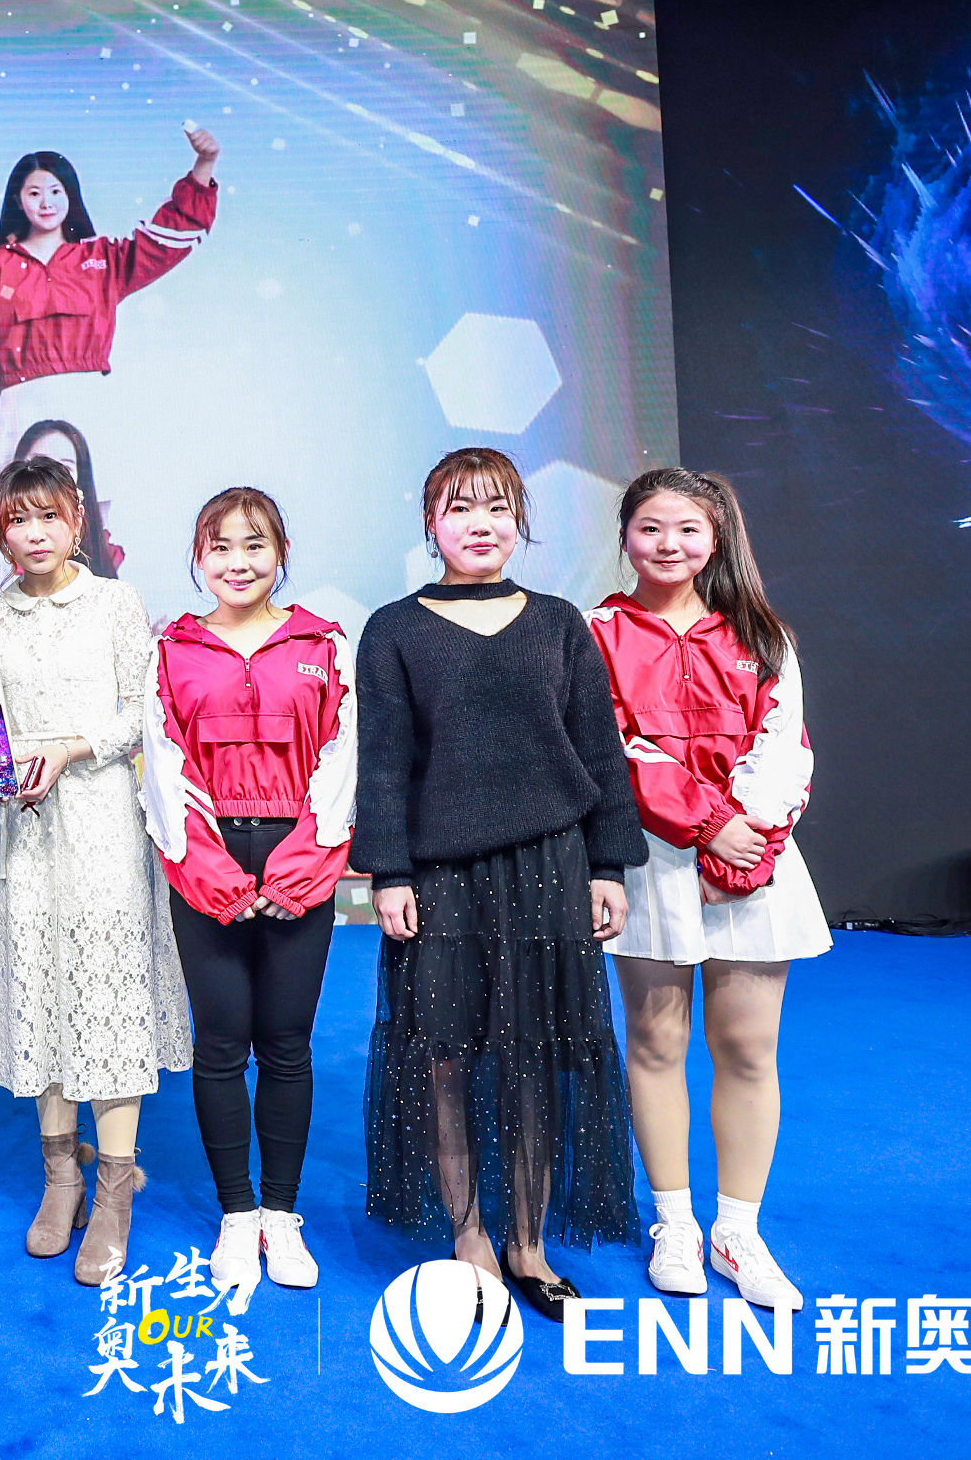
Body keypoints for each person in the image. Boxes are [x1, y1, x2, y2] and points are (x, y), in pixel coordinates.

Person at [352, 447, 643, 1321]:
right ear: (430, 524)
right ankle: (469, 1235)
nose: (481, 525)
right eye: (460, 508)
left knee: (537, 1054)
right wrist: (389, 873)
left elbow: (599, 749)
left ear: (521, 522)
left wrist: (607, 865)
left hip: (550, 865)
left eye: (497, 508)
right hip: (440, 874)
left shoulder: (559, 623)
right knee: (445, 1057)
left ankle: (528, 1242)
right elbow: (383, 764)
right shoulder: (394, 628)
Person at [588, 467, 824, 1312]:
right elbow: (611, 748)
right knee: (656, 1043)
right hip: (650, 864)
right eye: (651, 528)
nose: (669, 545)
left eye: (688, 529)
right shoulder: (594, 634)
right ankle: (675, 1224)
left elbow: (784, 748)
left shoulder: (762, 636)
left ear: (715, 538)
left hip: (756, 863)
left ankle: (738, 1231)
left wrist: (744, 847)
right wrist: (705, 827)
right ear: (626, 537)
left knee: (749, 1049)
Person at [0, 454, 189, 1287]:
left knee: (106, 997)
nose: (33, 535)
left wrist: (72, 748)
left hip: (102, 827)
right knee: (46, 993)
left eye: (48, 518)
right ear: (0, 532)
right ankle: (60, 1176)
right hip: (25, 834)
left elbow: (144, 714)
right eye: (17, 521)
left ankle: (114, 1192)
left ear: (77, 522)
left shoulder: (115, 603)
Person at [139, 488, 355, 1313]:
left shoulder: (324, 644)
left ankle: (281, 1215)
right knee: (222, 1042)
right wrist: (216, 875)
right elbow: (163, 768)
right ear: (199, 559)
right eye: (220, 547)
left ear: (281, 552)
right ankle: (237, 1214)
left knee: (288, 1043)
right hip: (209, 865)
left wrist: (298, 870)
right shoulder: (171, 649)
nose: (238, 562)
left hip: (299, 859)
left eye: (254, 544)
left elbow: (342, 758)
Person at [0, 127, 219, 490]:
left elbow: (163, 243)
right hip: (20, 404)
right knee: (22, 509)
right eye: (34, 193)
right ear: (17, 200)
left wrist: (204, 165)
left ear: (71, 195)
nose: (46, 203)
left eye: (55, 191)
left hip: (88, 402)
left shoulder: (101, 258)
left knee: (92, 510)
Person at [0, 420, 121, 603]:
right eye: (40, 466)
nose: (50, 479)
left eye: (65, 468)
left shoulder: (105, 553)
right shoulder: (0, 543)